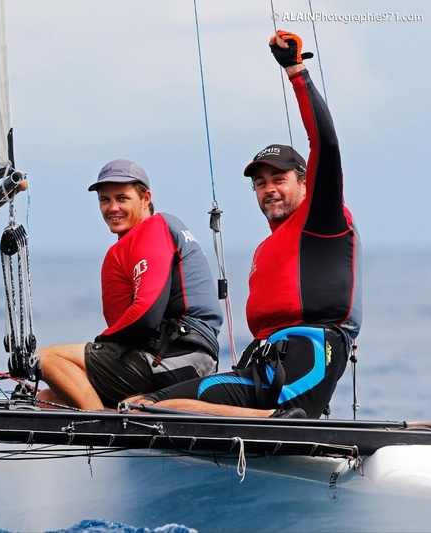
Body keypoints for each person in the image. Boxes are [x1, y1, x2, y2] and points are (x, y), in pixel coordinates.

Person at [125, 30, 362, 419]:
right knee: (144, 403)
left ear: (305, 183)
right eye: (260, 183)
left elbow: (327, 145)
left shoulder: (322, 221)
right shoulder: (267, 247)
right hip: (263, 365)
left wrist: (296, 71)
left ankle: (282, 421)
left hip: (310, 358)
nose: (268, 189)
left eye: (279, 179)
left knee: (162, 409)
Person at [35, 159, 223, 411]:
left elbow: (146, 314)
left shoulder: (154, 228)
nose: (113, 208)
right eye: (105, 200)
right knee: (47, 400)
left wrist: (100, 343)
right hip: (181, 359)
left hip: (177, 359)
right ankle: (125, 418)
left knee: (45, 359)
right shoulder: (146, 237)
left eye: (122, 198)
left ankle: (103, 422)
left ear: (146, 198)